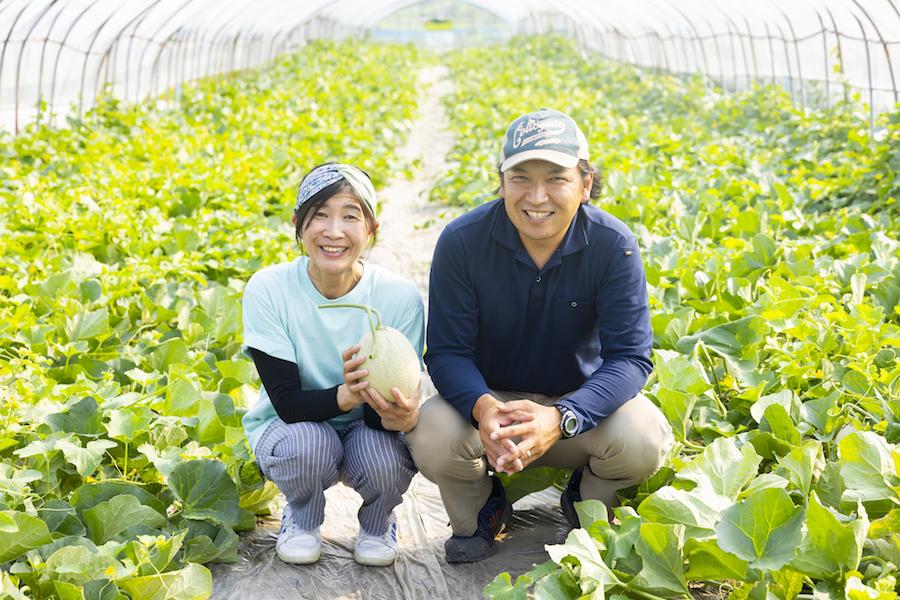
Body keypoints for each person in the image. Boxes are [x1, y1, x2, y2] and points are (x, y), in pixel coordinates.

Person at [406, 109, 674, 563]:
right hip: (492, 412)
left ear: (585, 184)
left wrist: (564, 416)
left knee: (643, 436)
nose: (536, 196)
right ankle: (481, 509)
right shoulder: (462, 241)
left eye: (556, 178)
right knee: (431, 432)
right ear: (502, 181)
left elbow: (630, 358)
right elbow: (448, 352)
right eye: (520, 177)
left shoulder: (613, 245)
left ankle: (586, 499)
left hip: (579, 411)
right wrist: (484, 407)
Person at [241, 162, 424, 567]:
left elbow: (391, 413)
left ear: (371, 228)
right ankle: (301, 518)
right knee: (309, 446)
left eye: (350, 216)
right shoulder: (268, 290)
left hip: (368, 426)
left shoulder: (400, 299)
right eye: (319, 214)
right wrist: (348, 393)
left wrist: (400, 413)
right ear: (297, 224)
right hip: (294, 427)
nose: (334, 231)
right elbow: (288, 404)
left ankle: (378, 524)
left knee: (386, 459)